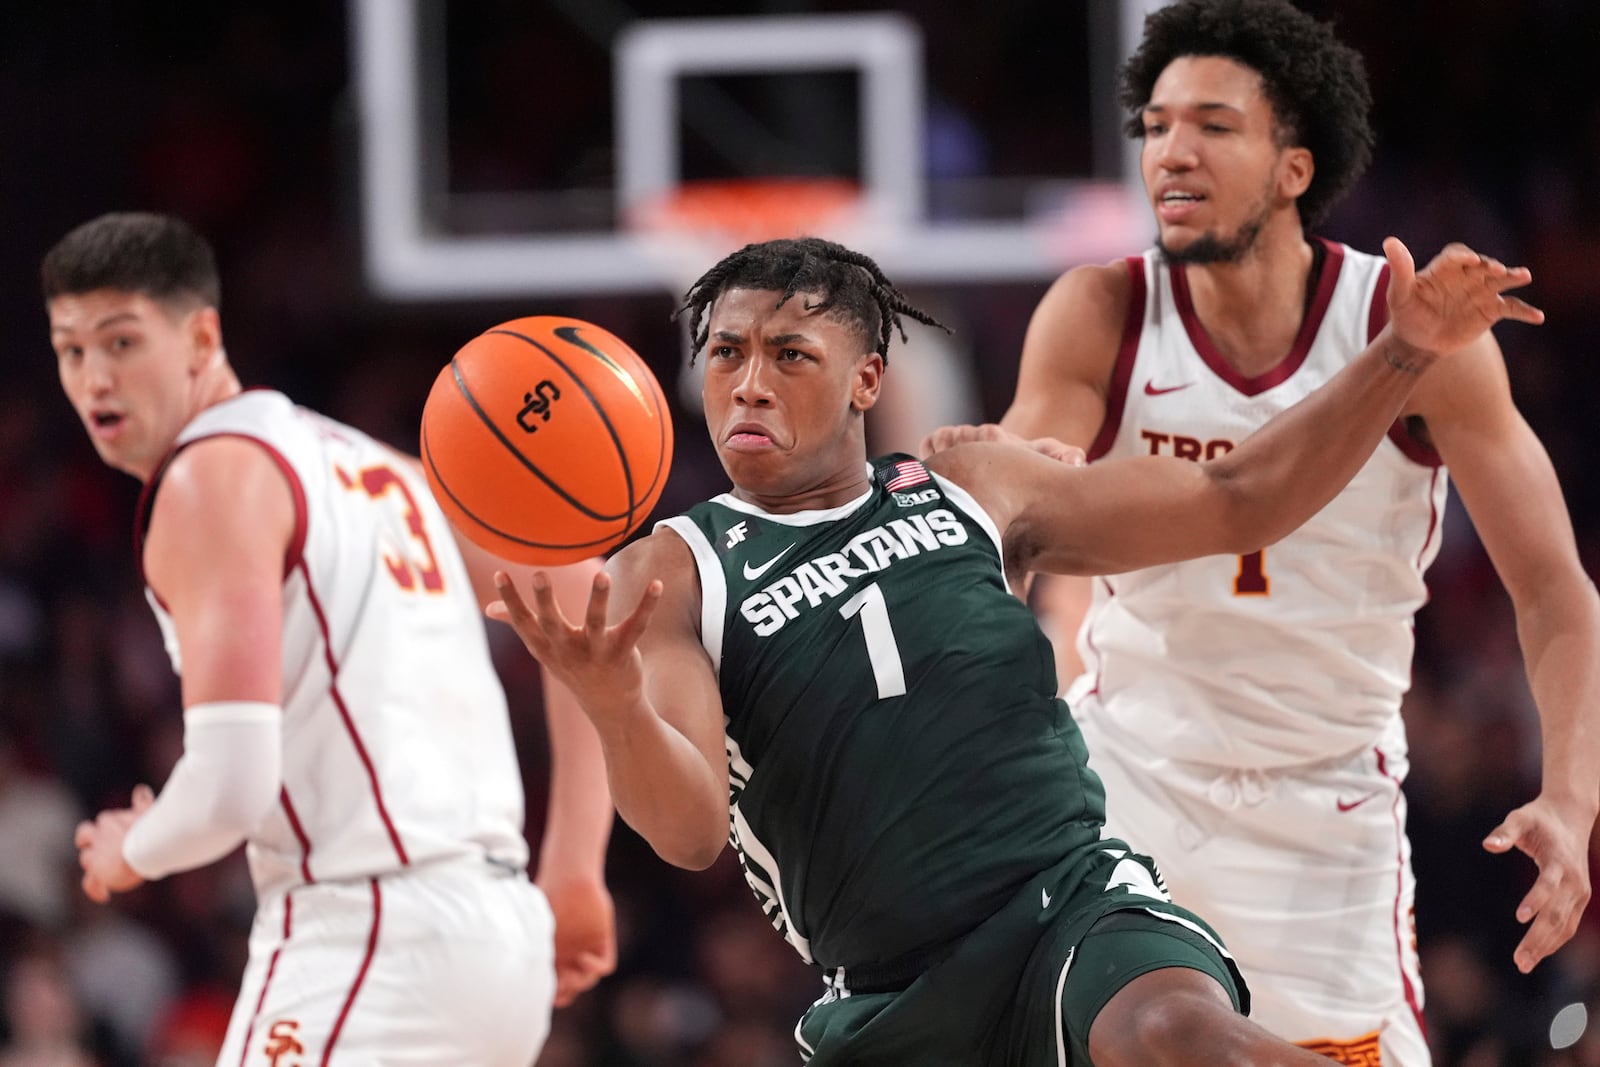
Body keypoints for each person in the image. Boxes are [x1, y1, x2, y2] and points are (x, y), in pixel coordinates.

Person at [489, 234, 1539, 1065]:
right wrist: (613, 700)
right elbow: (684, 830)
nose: (747, 383)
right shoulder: (675, 565)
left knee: (1187, 1039)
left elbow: (1239, 495)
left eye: (787, 354)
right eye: (725, 353)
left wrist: (1400, 351)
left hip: (1073, 905)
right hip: (890, 993)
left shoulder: (976, 488)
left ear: (865, 380)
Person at [924, 1, 1600, 1061]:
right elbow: (1026, 513)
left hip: (1323, 807)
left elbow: (1556, 587)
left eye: (1211, 125)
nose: (1169, 152)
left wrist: (1570, 797)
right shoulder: (1099, 311)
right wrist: (992, 483)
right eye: (1153, 126)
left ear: (1293, 166)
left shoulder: (1411, 320)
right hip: (1126, 781)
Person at [46, 211, 617, 1066]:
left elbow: (232, 785)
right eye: (70, 350)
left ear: (202, 335)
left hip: (371, 931)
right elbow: (582, 589)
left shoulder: (209, 475)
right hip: (497, 942)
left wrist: (135, 846)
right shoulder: (378, 466)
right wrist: (575, 862)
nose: (95, 378)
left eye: (122, 342)